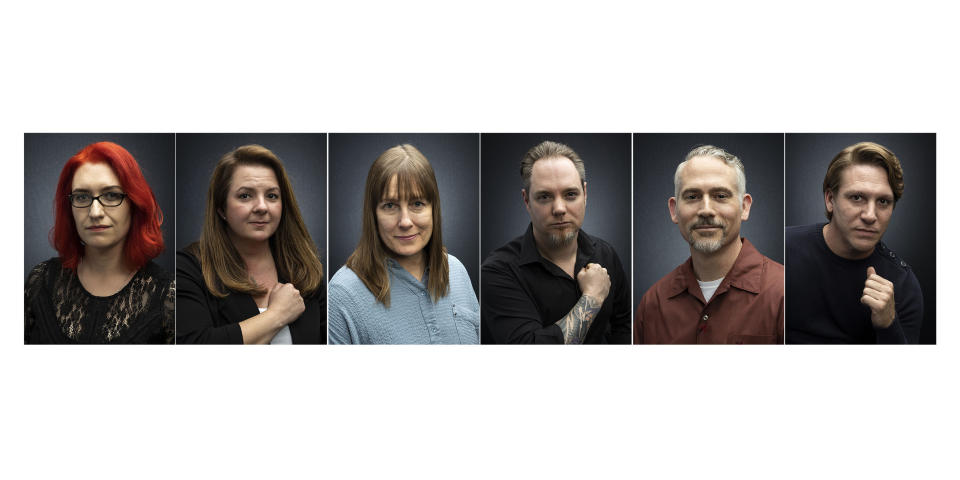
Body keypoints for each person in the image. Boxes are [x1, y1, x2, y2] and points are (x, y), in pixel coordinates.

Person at [328, 144, 479, 344]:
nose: (405, 222)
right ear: (373, 214)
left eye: (417, 204)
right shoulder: (341, 295)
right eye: (390, 206)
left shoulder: (457, 271)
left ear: (434, 209)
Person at [24, 141, 174, 344]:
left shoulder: (168, 294)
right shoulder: (40, 281)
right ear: (70, 208)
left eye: (111, 195)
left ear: (135, 203)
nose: (95, 213)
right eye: (82, 196)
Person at [482, 140, 630, 344]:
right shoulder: (498, 270)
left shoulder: (606, 254)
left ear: (585, 194)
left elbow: (624, 327)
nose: (559, 208)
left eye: (570, 194)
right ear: (526, 201)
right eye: (544, 196)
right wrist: (593, 298)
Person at [176, 144, 326, 344]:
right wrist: (277, 315)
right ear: (221, 208)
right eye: (245, 195)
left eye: (272, 196)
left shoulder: (305, 268)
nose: (262, 207)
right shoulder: (188, 268)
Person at [635, 145, 783, 344]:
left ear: (744, 207)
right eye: (692, 196)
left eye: (720, 196)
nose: (706, 210)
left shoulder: (784, 293)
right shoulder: (653, 303)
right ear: (674, 210)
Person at [786, 142, 922, 344]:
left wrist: (888, 324)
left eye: (883, 201)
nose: (870, 215)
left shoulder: (903, 286)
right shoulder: (784, 250)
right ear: (830, 199)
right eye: (857, 197)